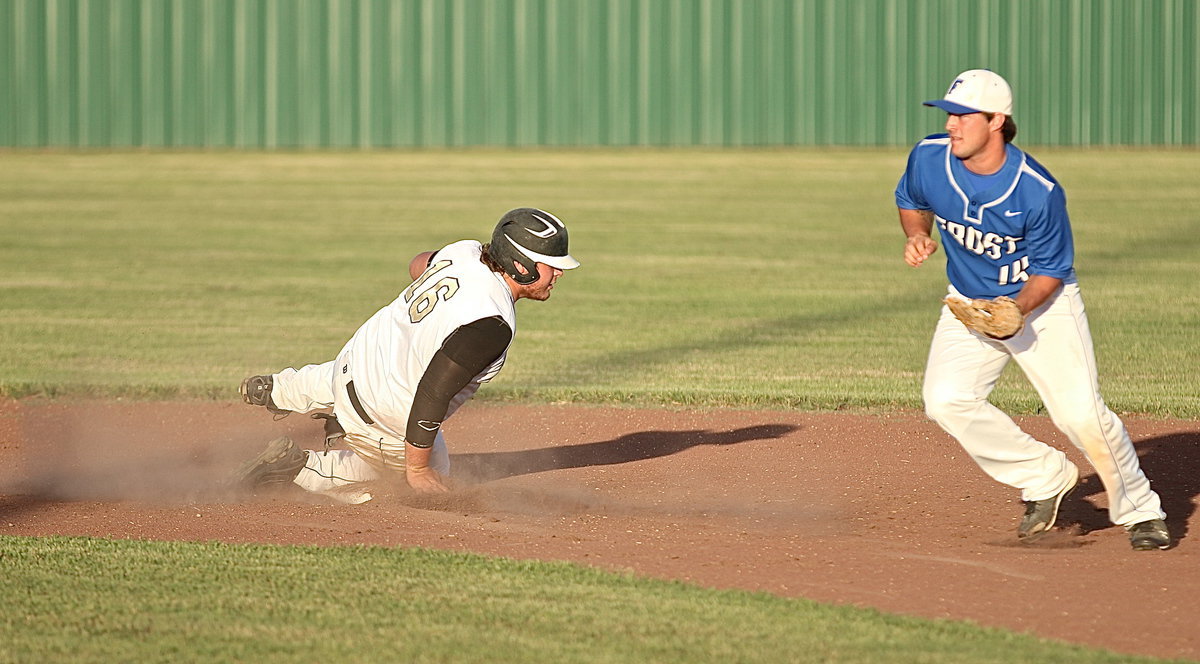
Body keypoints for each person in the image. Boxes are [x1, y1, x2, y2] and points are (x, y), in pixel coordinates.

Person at [894, 69, 1170, 550]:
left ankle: (1141, 511)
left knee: (1081, 414)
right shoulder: (928, 157)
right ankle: (1045, 476)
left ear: (996, 120)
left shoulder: (1036, 190)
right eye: (949, 115)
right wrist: (917, 233)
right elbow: (911, 201)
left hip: (1041, 304)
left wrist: (1015, 309)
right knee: (946, 400)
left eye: (962, 116)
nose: (952, 125)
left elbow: (1051, 270)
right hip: (967, 302)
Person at [231, 208, 579, 501]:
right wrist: (417, 469)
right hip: (385, 412)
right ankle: (300, 468)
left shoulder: (466, 252)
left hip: (353, 363)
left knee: (369, 365)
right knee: (428, 474)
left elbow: (417, 264)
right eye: (551, 264)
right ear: (521, 266)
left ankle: (279, 388)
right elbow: (433, 393)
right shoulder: (492, 323)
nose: (559, 272)